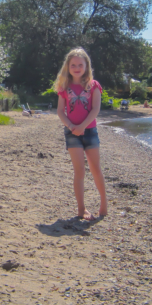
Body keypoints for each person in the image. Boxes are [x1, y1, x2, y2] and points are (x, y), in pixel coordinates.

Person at [54, 47, 108, 221]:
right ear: (68, 67)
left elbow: (95, 109)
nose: (77, 68)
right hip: (71, 133)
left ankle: (104, 203)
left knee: (95, 168)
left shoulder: (93, 86)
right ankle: (81, 209)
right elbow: (60, 111)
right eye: (73, 65)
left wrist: (83, 126)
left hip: (90, 131)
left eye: (80, 64)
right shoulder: (64, 86)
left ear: (86, 66)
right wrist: (71, 126)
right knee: (79, 171)